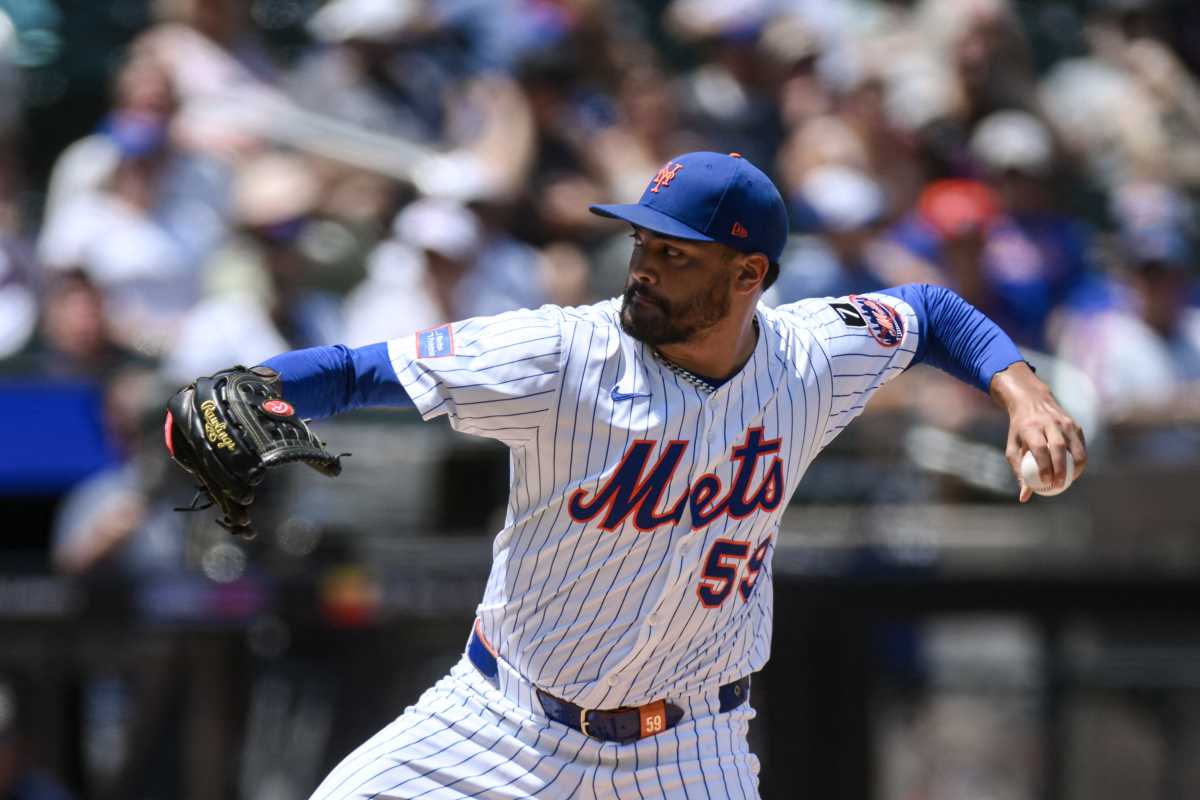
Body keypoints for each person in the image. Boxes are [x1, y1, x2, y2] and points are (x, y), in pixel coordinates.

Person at [189, 151, 1085, 798]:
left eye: (675, 255)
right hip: (500, 725)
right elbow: (357, 369)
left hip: (689, 751)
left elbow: (929, 313)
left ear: (748, 275)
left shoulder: (814, 356)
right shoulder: (559, 353)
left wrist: (1025, 393)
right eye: (641, 245)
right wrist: (260, 390)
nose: (644, 271)